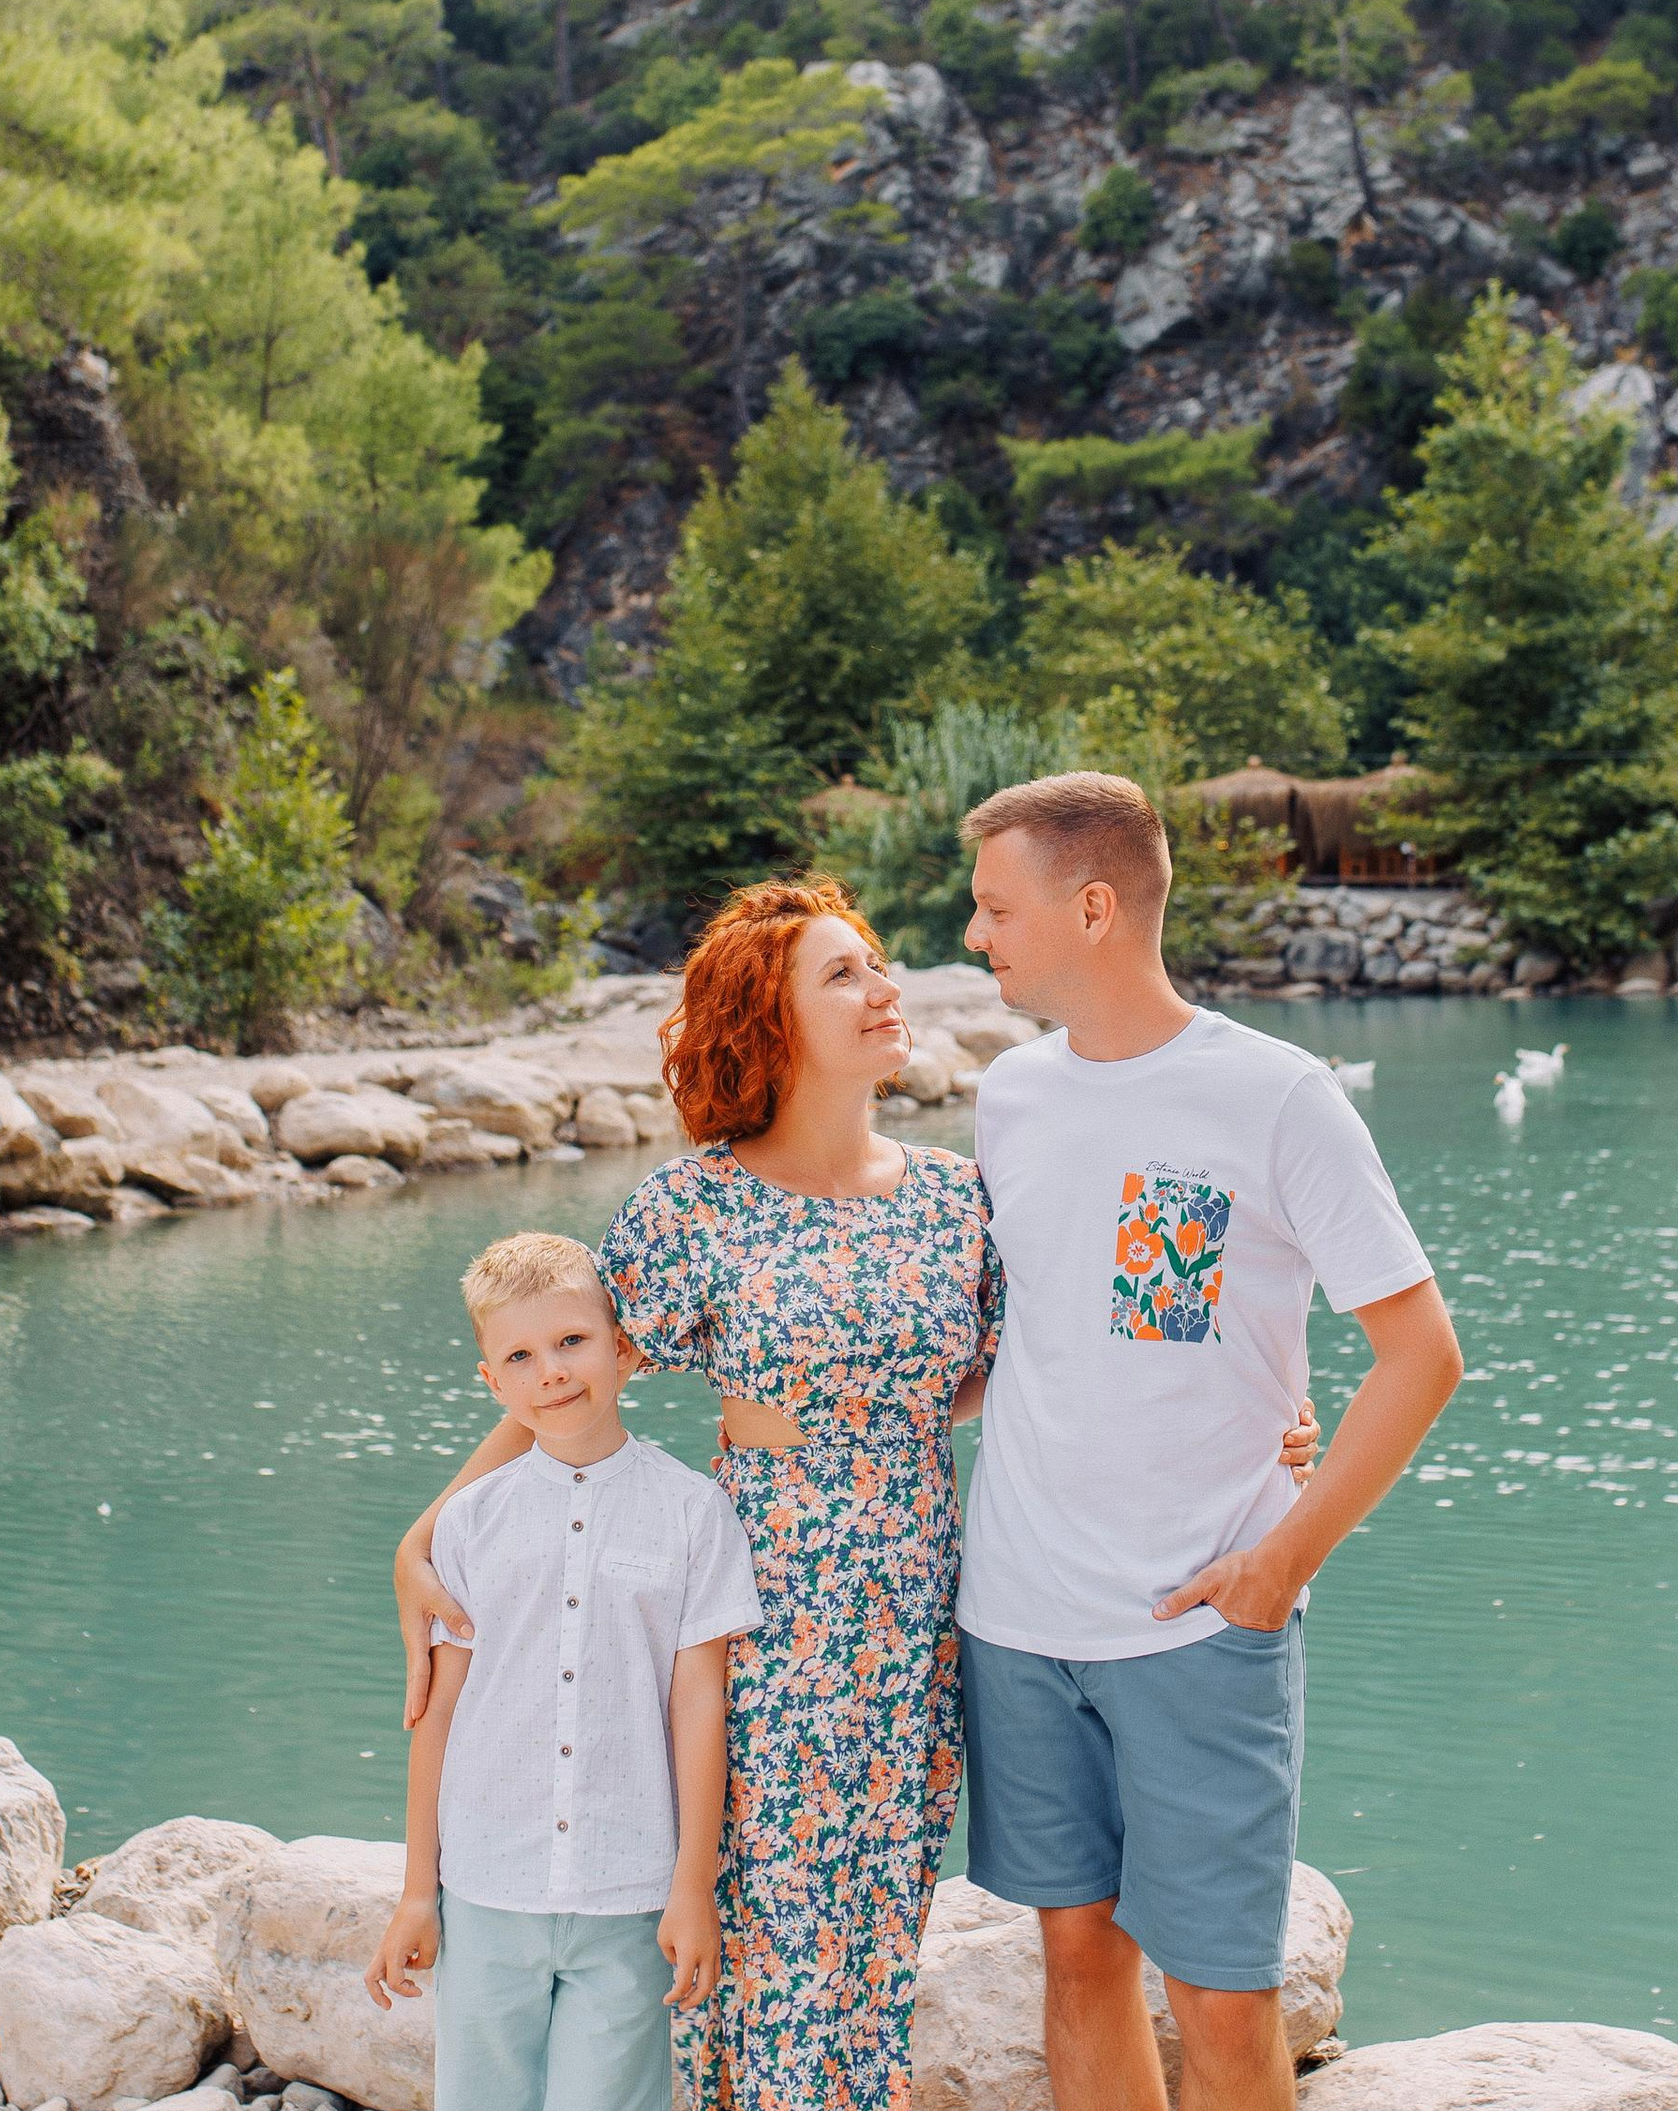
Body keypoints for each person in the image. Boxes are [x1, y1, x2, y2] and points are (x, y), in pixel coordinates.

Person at [395, 877, 1315, 2111]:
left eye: (878, 964)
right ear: (768, 1023)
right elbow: (554, 1379)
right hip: (752, 1611)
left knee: (869, 1945)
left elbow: (1050, 1366)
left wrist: (1253, 1428)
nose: (886, 988)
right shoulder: (692, 1207)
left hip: (917, 1613)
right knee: (755, 1938)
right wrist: (431, 1533)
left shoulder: (951, 1197)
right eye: (844, 974)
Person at [956, 771, 1464, 2111]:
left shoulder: (1279, 1098)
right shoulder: (1010, 1098)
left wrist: (1281, 1563)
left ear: (1097, 906)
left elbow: (1422, 1357)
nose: (974, 935)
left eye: (996, 907)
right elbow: (1038, 1335)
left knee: (1226, 2002)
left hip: (1200, 1625)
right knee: (1075, 1957)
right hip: (1015, 1619)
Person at [366, 1231, 761, 2111]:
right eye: (520, 1355)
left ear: (623, 1349)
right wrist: (416, 1893)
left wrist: (691, 1888)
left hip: (627, 1890)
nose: (552, 1371)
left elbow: (699, 1705)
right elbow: (437, 1714)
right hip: (486, 1886)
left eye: (572, 1342)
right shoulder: (467, 1524)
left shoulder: (695, 1513)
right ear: (492, 1384)